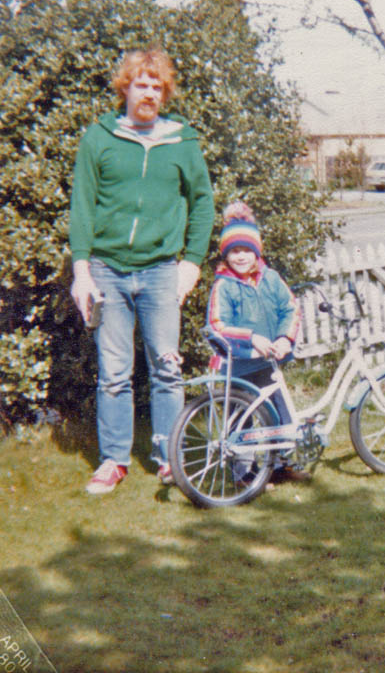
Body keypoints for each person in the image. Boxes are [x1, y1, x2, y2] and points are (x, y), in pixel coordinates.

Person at [69, 48, 215, 494]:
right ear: (125, 88)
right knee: (114, 372)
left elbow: (203, 202)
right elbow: (82, 205)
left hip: (160, 271)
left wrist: (191, 263)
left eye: (157, 86)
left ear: (164, 93)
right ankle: (114, 460)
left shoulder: (182, 141)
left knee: (166, 369)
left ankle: (169, 458)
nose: (149, 92)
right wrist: (82, 271)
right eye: (141, 84)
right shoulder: (99, 137)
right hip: (107, 270)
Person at [206, 202, 305, 479]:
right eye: (234, 251)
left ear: (257, 252)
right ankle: (243, 474)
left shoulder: (270, 279)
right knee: (241, 421)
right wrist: (251, 338)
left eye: (246, 250)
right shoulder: (224, 286)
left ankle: (280, 465)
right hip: (235, 368)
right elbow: (216, 326)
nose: (241, 257)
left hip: (267, 363)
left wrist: (285, 337)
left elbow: (291, 308)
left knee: (279, 413)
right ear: (226, 255)